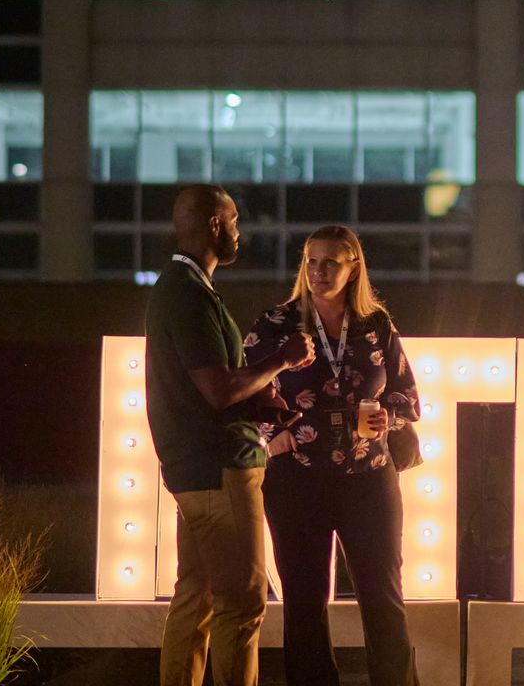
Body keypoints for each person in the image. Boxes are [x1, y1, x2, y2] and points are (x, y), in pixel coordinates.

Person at [145, 184, 316, 686]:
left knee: (194, 598)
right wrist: (281, 360)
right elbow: (217, 390)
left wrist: (260, 398)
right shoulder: (190, 293)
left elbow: (205, 385)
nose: (240, 230)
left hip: (192, 469)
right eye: (235, 220)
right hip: (222, 467)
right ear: (215, 225)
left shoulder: (176, 287)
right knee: (242, 603)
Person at [245, 225, 421, 686]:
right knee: (304, 602)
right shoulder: (276, 324)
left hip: (369, 476)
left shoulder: (375, 325)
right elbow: (242, 393)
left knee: (384, 598)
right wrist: (272, 435)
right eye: (312, 261)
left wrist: (389, 415)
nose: (320, 271)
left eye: (331, 262)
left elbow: (407, 395)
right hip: (298, 480)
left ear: (353, 267)